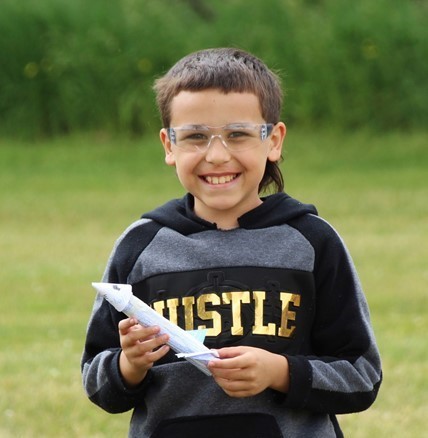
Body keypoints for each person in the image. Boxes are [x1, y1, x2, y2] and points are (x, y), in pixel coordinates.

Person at [81, 47, 382, 438]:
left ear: (273, 140)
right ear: (169, 145)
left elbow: (361, 377)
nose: (217, 155)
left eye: (237, 134)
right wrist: (130, 365)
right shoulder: (141, 246)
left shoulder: (311, 242)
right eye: (195, 137)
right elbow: (96, 381)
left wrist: (279, 373)